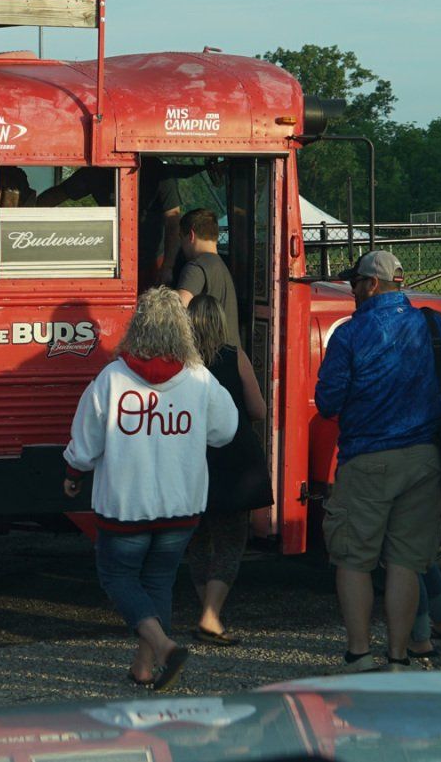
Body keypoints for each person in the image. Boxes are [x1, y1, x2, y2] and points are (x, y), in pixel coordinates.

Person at [63, 288, 238, 692]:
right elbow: (225, 431)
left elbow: (86, 444)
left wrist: (73, 472)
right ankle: (146, 668)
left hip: (126, 505)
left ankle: (161, 646)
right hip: (181, 505)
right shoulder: (199, 378)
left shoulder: (112, 379)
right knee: (158, 579)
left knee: (117, 576)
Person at [314, 249, 441, 671]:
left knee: (353, 558)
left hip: (367, 458)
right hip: (424, 458)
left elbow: (328, 402)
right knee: (405, 561)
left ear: (372, 284)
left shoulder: (349, 334)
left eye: (354, 283)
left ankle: (359, 653)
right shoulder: (433, 326)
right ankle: (400, 654)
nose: (352, 290)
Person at [183, 293, 271, 645]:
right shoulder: (235, 358)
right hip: (234, 458)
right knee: (231, 541)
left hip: (192, 460)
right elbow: (258, 410)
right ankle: (210, 616)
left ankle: (208, 612)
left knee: (199, 540)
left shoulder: (179, 364)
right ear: (220, 323)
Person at [174, 209, 239, 342]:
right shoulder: (222, 267)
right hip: (229, 355)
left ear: (191, 236)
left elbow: (177, 311)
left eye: (181, 238)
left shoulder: (195, 267)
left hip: (208, 358)